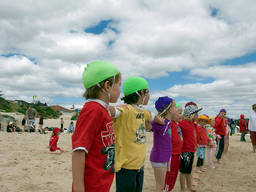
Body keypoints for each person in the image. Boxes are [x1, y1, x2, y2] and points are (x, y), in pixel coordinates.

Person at [72, 61, 121, 192]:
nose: (120, 90)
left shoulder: (102, 109)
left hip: (102, 183)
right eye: (119, 85)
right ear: (108, 86)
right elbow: (79, 150)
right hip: (91, 186)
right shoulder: (93, 110)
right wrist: (78, 187)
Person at [112, 76, 164, 192]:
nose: (149, 96)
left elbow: (151, 116)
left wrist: (159, 120)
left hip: (139, 165)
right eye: (148, 92)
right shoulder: (125, 110)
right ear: (141, 93)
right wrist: (114, 108)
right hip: (126, 167)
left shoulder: (142, 111)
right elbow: (109, 111)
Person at [149, 96, 176, 192]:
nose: (176, 109)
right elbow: (147, 124)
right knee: (159, 186)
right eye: (174, 107)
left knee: (161, 185)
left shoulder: (168, 122)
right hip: (158, 158)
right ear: (168, 109)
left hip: (163, 157)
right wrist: (155, 119)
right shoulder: (159, 122)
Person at [179, 102, 202, 192]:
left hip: (191, 150)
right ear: (191, 115)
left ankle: (189, 186)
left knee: (189, 171)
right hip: (185, 151)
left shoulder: (193, 124)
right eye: (196, 113)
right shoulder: (183, 123)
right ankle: (182, 189)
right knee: (183, 172)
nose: (197, 115)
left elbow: (194, 136)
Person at [164, 103, 183, 192]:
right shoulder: (169, 124)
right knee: (170, 173)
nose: (181, 115)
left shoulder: (177, 124)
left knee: (175, 173)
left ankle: (170, 188)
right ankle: (167, 188)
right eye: (179, 112)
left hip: (178, 153)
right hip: (171, 154)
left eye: (181, 113)